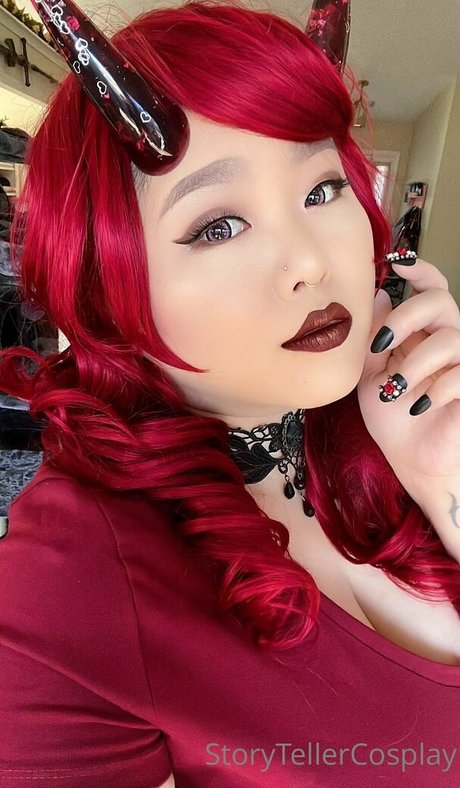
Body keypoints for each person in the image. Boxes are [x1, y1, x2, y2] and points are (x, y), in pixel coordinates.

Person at [1, 1, 460, 785]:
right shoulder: (68, 583)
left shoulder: (388, 417)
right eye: (218, 225)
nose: (311, 263)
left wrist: (444, 475)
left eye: (322, 189)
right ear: (104, 287)